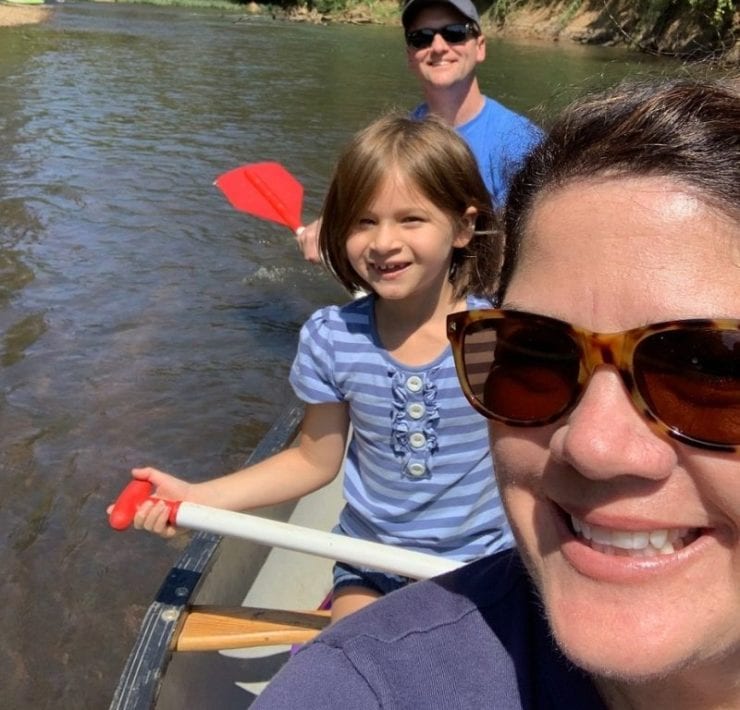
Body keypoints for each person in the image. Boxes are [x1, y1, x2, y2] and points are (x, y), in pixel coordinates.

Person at [251, 76, 740, 709]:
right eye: (535, 352)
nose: (592, 446)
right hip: (368, 559)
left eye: (708, 369)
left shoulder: (470, 318)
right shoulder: (360, 685)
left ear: (463, 229)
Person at [120, 113, 514, 623]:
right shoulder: (333, 339)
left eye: (410, 219)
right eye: (363, 221)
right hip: (371, 560)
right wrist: (200, 498)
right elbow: (313, 462)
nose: (383, 243)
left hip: (479, 559)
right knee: (353, 661)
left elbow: (535, 456)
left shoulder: (501, 338)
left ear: (462, 228)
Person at [296, 0, 541, 262]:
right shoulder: (396, 140)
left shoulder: (522, 143)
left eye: (455, 33)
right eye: (421, 38)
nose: (438, 47)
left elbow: (537, 249)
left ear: (479, 47)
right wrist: (331, 229)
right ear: (410, 56)